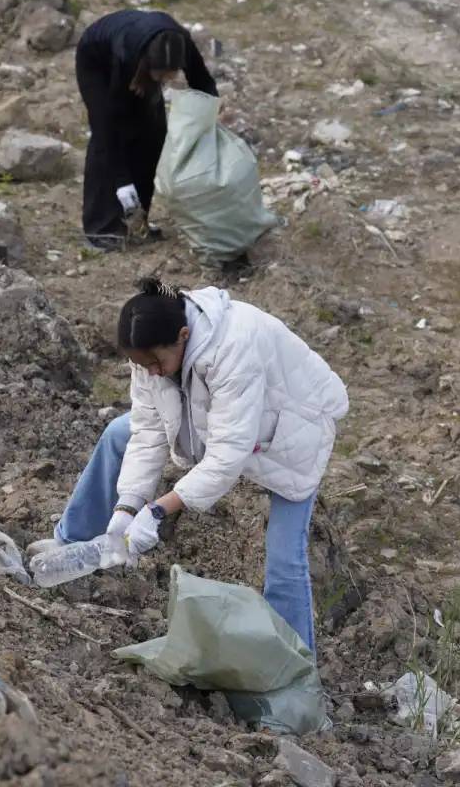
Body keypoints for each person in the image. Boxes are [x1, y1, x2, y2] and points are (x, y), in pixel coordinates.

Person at [29, 278, 349, 654]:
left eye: (155, 363)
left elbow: (227, 455)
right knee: (119, 432)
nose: (150, 372)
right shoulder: (150, 349)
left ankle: (295, 676)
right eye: (140, 364)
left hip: (292, 425)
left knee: (284, 556)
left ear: (183, 336)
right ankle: (74, 540)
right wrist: (126, 507)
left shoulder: (235, 346)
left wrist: (158, 511)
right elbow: (147, 430)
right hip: (221, 422)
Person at [75, 10, 218, 250]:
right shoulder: (124, 53)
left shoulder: (181, 43)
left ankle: (135, 219)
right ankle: (102, 229)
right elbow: (109, 124)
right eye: (162, 76)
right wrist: (122, 182)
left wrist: (208, 124)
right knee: (109, 137)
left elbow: (203, 83)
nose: (167, 80)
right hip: (97, 62)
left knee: (153, 134)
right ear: (145, 64)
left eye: (171, 74)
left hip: (138, 64)